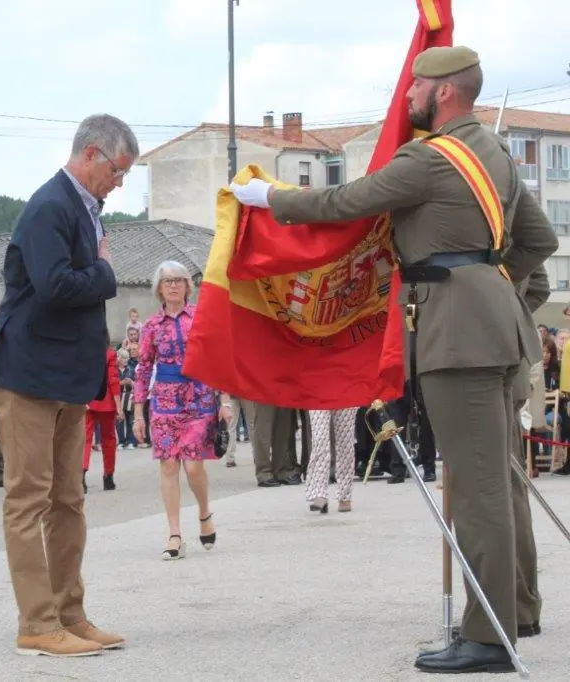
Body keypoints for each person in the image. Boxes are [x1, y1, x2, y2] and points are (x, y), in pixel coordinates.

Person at [230, 46, 558, 673]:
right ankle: (519, 608)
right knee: (502, 478)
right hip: (495, 332)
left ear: (444, 94)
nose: (405, 98)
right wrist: (489, 280)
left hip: (458, 338)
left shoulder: (432, 160)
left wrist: (267, 198)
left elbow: (343, 201)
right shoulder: (496, 157)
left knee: (476, 490)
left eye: (414, 88)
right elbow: (540, 241)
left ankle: (488, 635)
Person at [0, 113, 137, 657]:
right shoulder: (50, 205)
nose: (119, 182)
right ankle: (36, 622)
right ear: (91, 153)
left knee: (69, 499)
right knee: (29, 499)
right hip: (27, 374)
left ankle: (71, 612)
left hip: (67, 377)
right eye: (117, 170)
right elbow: (53, 286)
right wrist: (106, 273)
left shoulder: (86, 209)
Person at [132, 260, 232, 559]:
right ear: (159, 289)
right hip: (163, 401)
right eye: (167, 281)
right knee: (169, 465)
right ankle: (174, 533)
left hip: (199, 398)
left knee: (192, 464)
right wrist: (138, 413)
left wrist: (224, 400)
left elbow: (218, 359)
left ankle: (204, 513)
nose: (173, 285)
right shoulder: (150, 326)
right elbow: (142, 368)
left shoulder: (201, 318)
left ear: (188, 286)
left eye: (178, 280)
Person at [82, 331, 121, 492]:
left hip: (88, 401)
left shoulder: (85, 353)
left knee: (85, 440)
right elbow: (113, 380)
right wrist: (118, 405)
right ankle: (108, 476)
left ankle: (81, 475)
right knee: (109, 440)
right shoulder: (110, 354)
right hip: (106, 402)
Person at [304, 407, 358, 513]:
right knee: (319, 441)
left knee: (345, 444)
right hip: (318, 393)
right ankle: (319, 493)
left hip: (345, 393)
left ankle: (344, 495)